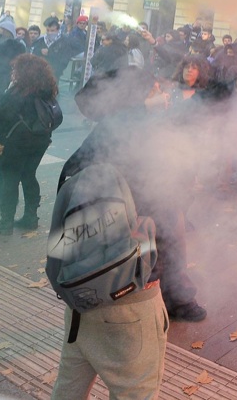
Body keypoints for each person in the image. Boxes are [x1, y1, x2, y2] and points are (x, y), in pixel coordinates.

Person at [50, 69, 169, 398]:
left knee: (69, 387)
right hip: (130, 300)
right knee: (136, 391)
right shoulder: (151, 150)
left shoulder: (86, 151)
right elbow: (166, 226)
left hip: (79, 295)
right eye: (155, 88)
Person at [0, 55, 60, 234]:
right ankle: (31, 217)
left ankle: (6, 223)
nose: (12, 72)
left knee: (10, 179)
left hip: (17, 141)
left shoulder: (17, 92)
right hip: (40, 140)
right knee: (29, 175)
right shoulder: (48, 90)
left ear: (22, 72)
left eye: (15, 69)